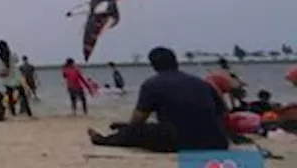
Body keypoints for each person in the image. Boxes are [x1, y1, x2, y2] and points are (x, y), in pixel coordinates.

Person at [89, 47, 228, 152]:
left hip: (182, 142)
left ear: (153, 65)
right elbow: (222, 113)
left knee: (138, 132)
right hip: (216, 141)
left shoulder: (152, 84)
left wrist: (127, 129)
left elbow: (138, 120)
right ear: (176, 62)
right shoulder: (201, 83)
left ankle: (102, 140)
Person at [0, 40, 32, 117]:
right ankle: (29, 113)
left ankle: (13, 113)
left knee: (10, 96)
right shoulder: (12, 55)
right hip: (16, 77)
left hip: (7, 79)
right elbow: (17, 60)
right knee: (23, 95)